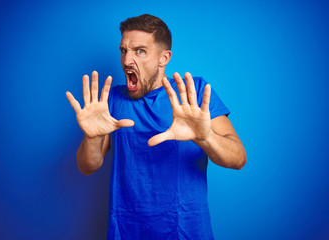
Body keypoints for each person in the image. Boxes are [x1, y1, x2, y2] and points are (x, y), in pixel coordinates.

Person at [66, 14, 246, 240]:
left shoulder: (193, 93)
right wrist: (91, 138)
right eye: (124, 50)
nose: (127, 60)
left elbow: (238, 159)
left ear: (164, 58)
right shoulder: (109, 100)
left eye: (139, 51)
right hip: (126, 230)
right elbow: (87, 166)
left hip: (186, 230)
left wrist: (205, 137)